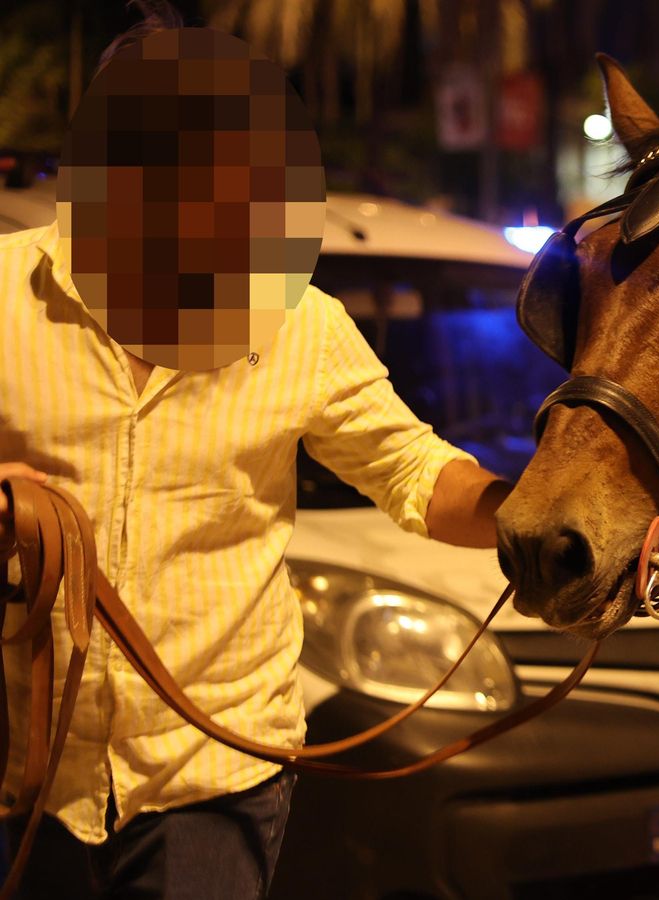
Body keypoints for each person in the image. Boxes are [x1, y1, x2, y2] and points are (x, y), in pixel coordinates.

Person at [0, 5, 513, 897]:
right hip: (23, 773)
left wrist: (539, 515)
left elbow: (415, 471)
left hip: (216, 778)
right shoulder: (8, 294)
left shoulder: (302, 324)